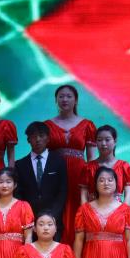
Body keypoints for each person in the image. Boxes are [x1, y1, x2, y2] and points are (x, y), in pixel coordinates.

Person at [45, 84, 96, 245]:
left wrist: (91, 182)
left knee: (78, 211)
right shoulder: (47, 126)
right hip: (55, 175)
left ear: (76, 100)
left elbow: (91, 158)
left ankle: (78, 252)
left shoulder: (87, 125)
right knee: (56, 210)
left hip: (79, 176)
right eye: (61, 96)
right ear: (56, 100)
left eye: (69, 96)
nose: (65, 99)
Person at [15, 122, 68, 239]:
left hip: (54, 220)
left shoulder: (58, 161)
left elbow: (62, 191)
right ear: (28, 140)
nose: (38, 139)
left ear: (48, 138)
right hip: (29, 222)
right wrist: (27, 215)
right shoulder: (20, 164)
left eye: (41, 135)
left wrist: (53, 215)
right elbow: (18, 194)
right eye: (34, 136)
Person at [80, 125, 130, 204]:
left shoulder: (124, 166)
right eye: (99, 140)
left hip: (117, 210)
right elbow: (83, 195)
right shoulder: (88, 167)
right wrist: (85, 211)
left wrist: (123, 211)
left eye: (107, 140)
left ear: (115, 141)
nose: (103, 143)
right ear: (95, 142)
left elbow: (128, 195)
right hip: (92, 210)